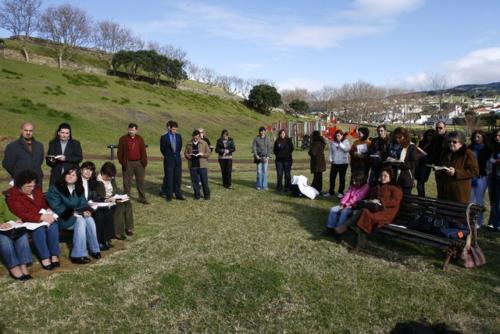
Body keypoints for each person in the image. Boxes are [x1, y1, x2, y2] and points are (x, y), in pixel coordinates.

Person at [6, 170, 60, 270]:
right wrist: (41, 217)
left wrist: (48, 209)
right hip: (27, 221)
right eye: (28, 186)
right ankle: (45, 257)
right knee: (39, 230)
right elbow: (21, 213)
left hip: (41, 216)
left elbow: (43, 204)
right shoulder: (13, 195)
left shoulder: (37, 190)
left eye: (33, 185)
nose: (32, 188)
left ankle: (54, 255)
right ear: (20, 185)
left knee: (53, 225)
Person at [46, 168, 101, 264]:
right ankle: (78, 255)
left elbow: (83, 203)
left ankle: (95, 249)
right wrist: (77, 213)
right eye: (68, 174)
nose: (70, 176)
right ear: (64, 175)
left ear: (77, 178)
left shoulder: (79, 188)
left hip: (75, 215)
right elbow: (58, 207)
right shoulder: (55, 188)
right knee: (80, 221)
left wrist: (86, 211)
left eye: (73, 175)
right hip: (62, 217)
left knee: (89, 219)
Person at [349, 167, 403, 235]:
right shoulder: (379, 186)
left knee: (365, 213)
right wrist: (370, 200)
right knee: (364, 211)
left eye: (385, 176)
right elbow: (370, 196)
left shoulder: (395, 188)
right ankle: (355, 235)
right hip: (376, 208)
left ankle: (345, 228)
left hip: (386, 212)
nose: (383, 177)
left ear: (391, 177)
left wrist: (380, 201)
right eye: (381, 175)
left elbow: (395, 201)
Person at [436, 131, 479, 204]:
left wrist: (456, 172)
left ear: (461, 143)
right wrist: (439, 169)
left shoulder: (468, 153)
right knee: (442, 212)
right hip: (444, 191)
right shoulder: (445, 153)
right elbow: (441, 165)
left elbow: (474, 171)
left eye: (454, 142)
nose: (451, 143)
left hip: (459, 192)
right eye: (449, 141)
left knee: (457, 213)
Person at [81, 161, 115, 251]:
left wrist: (105, 200)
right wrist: (89, 204)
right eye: (86, 169)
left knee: (107, 210)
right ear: (81, 170)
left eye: (90, 170)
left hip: (91, 205)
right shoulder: (77, 181)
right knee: (99, 214)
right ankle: (99, 241)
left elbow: (95, 196)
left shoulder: (91, 182)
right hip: (81, 207)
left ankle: (106, 239)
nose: (88, 172)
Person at [97, 162, 135, 240]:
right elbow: (99, 196)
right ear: (102, 172)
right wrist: (109, 199)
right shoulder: (98, 181)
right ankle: (118, 232)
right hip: (104, 200)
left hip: (113, 197)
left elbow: (115, 190)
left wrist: (121, 196)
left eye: (111, 177)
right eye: (107, 176)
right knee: (119, 206)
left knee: (128, 203)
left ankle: (129, 227)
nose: (109, 178)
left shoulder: (111, 178)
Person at [0, 193, 33, 280]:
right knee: (4, 239)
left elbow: (6, 213)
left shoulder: (0, 198)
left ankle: (23, 264)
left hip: (6, 225)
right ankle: (13, 267)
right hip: (1, 227)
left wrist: (15, 219)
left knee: (21, 234)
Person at [2, 122, 44, 186]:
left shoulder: (39, 146)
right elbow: (7, 164)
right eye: (26, 130)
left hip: (37, 182)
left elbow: (39, 162)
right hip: (21, 183)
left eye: (30, 131)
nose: (28, 133)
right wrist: (18, 175)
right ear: (21, 131)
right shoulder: (13, 146)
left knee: (38, 196)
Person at [117, 123, 149, 205]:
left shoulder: (140, 139)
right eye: (130, 130)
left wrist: (143, 162)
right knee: (127, 182)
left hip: (139, 163)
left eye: (133, 130)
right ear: (128, 129)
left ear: (136, 130)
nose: (132, 131)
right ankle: (126, 199)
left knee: (140, 181)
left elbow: (143, 151)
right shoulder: (123, 139)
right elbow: (119, 152)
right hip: (128, 163)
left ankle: (142, 198)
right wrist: (123, 162)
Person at [384, 127, 418, 195]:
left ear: (405, 136)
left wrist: (398, 164)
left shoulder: (411, 146)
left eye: (400, 137)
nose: (397, 139)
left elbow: (413, 163)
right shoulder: (391, 145)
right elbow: (386, 155)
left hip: (405, 178)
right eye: (396, 137)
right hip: (392, 176)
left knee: (405, 199)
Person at [468, 130, 491, 227]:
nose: (476, 139)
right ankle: (470, 220)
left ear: (483, 138)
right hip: (470, 177)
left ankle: (478, 222)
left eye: (479, 137)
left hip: (481, 178)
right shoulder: (469, 148)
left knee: (479, 200)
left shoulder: (487, 149)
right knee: (470, 200)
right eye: (475, 137)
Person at [160, 120, 185, 201]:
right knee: (169, 178)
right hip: (168, 160)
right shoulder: (164, 137)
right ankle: (169, 195)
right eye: (173, 129)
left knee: (178, 177)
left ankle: (178, 194)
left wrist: (176, 155)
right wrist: (169, 156)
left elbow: (179, 147)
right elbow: (162, 149)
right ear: (169, 128)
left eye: (176, 129)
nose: (175, 131)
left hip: (177, 160)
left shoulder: (179, 136)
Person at [184, 130, 211, 200]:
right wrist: (188, 156)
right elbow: (185, 153)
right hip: (192, 166)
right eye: (195, 137)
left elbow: (208, 153)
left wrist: (203, 154)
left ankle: (207, 196)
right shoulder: (188, 144)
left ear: (199, 136)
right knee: (195, 182)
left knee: (204, 181)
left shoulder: (204, 143)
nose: (196, 139)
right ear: (192, 136)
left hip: (202, 166)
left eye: (197, 137)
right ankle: (197, 195)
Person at [328, 130, 351, 197]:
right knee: (332, 178)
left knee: (342, 178)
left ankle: (340, 192)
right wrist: (330, 159)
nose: (337, 137)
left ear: (342, 136)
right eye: (336, 135)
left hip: (343, 163)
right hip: (335, 163)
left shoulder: (346, 142)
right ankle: (331, 192)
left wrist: (340, 143)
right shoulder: (333, 142)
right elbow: (331, 152)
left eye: (339, 135)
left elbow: (347, 149)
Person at [415, 129, 437, 197]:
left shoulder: (434, 145)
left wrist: (422, 156)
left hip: (425, 166)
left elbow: (432, 159)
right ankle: (421, 198)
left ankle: (422, 200)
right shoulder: (423, 142)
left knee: (420, 184)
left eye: (431, 135)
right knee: (419, 184)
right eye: (428, 135)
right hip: (419, 165)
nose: (429, 137)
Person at [487, 129, 500, 230]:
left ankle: (498, 223)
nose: (497, 137)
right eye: (496, 135)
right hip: (492, 177)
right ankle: (492, 222)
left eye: (499, 136)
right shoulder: (492, 148)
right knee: (493, 200)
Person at [252, 126, 273, 191]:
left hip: (265, 157)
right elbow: (254, 147)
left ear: (265, 131)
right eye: (261, 131)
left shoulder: (267, 139)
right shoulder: (256, 139)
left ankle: (264, 185)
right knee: (259, 172)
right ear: (259, 132)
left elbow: (269, 148)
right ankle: (259, 185)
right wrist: (256, 155)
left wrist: (268, 156)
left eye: (263, 131)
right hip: (258, 157)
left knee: (265, 172)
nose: (262, 132)